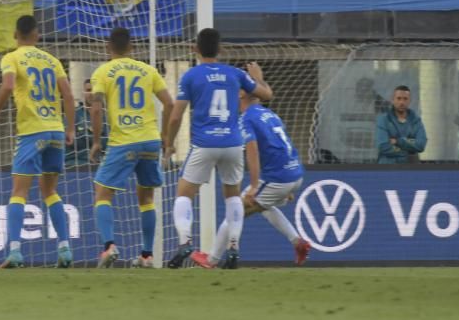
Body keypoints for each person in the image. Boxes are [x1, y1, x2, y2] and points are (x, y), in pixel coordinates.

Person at [162, 29, 273, 268]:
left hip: (204, 143)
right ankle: (233, 247)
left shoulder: (191, 76)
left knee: (184, 194)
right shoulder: (235, 74)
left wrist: (169, 143)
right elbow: (266, 94)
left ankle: (184, 242)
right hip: (232, 143)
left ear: (195, 49)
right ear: (220, 49)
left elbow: (175, 116)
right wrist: (259, 76)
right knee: (232, 195)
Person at [0, 15, 75, 269]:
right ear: (37, 35)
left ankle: (15, 251)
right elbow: (67, 94)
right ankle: (65, 249)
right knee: (50, 191)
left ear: (14, 35)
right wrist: (71, 129)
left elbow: (9, 85)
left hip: (33, 132)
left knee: (19, 192)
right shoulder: (52, 60)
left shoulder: (11, 58)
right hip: (55, 131)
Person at [193, 85, 311, 268]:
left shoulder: (247, 118)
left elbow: (253, 150)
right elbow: (282, 143)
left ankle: (211, 260)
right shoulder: (269, 114)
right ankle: (298, 242)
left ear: (240, 94)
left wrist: (255, 186)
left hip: (278, 178)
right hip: (294, 173)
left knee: (235, 211)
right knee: (265, 207)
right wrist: (287, 184)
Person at [87, 26, 174, 269]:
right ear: (132, 48)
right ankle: (147, 255)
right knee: (146, 198)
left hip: (123, 141)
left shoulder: (103, 71)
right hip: (150, 141)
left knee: (102, 193)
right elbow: (170, 103)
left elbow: (96, 107)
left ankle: (109, 247)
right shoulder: (148, 70)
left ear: (108, 47)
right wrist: (166, 136)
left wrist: (96, 141)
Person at [376, 85, 426, 163]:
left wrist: (398, 141)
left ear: (409, 101)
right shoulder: (383, 119)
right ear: (392, 100)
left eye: (405, 99)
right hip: (387, 167)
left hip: (411, 167)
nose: (402, 102)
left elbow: (420, 145)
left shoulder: (416, 121)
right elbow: (383, 146)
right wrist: (409, 150)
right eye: (398, 98)